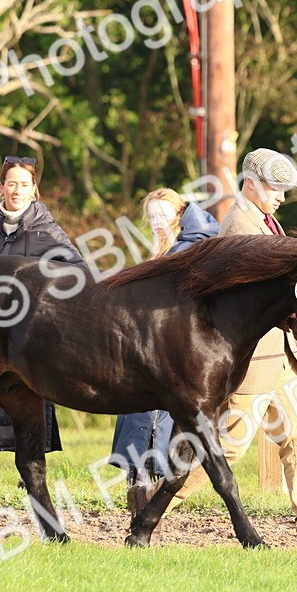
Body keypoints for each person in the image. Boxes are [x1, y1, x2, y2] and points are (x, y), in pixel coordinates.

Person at [160, 148, 297, 549]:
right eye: (275, 188)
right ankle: (154, 504)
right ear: (250, 181)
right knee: (230, 449)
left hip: (280, 354)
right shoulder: (240, 226)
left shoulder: (268, 221)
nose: (281, 196)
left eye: (284, 190)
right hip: (253, 356)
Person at [0, 155, 86, 484]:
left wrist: (46, 299)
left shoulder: (47, 230)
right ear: (0, 187)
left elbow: (78, 270)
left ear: (34, 190)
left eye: (24, 185)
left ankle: (31, 479)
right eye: (12, 184)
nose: (17, 191)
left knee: (27, 404)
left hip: (26, 335)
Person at [110, 188, 219, 514]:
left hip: (174, 352)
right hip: (157, 346)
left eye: (163, 215)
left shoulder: (187, 247)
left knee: (153, 415)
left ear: (179, 213)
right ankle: (143, 491)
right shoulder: (172, 246)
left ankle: (148, 499)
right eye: (152, 217)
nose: (157, 222)